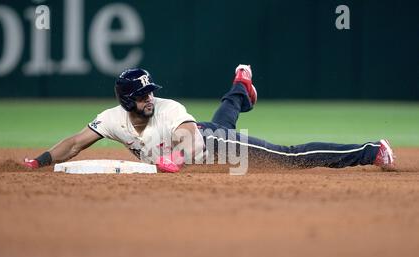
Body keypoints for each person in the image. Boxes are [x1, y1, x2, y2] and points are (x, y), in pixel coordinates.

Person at [23, 65, 395, 173]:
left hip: (214, 147)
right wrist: (41, 160)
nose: (149, 97)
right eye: (142, 95)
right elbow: (74, 142)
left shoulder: (168, 109)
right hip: (203, 142)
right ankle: (240, 87)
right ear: (127, 101)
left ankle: (369, 151)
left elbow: (192, 137)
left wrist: (177, 160)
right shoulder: (111, 120)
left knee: (289, 157)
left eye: (151, 91)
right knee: (224, 120)